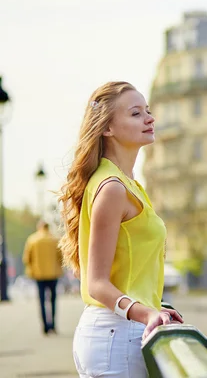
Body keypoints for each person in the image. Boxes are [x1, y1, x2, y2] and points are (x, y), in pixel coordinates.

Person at [58, 81, 183, 377]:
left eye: (148, 111)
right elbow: (96, 284)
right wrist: (147, 312)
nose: (150, 118)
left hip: (117, 334)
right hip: (116, 336)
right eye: (136, 113)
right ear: (108, 128)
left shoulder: (125, 184)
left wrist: (154, 306)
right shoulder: (112, 188)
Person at [22, 219, 63, 335]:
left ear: (39, 227)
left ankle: (45, 327)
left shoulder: (32, 240)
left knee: (41, 301)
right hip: (53, 274)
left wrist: (31, 269)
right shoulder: (54, 239)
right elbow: (61, 257)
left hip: (39, 275)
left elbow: (26, 258)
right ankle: (53, 325)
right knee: (53, 300)